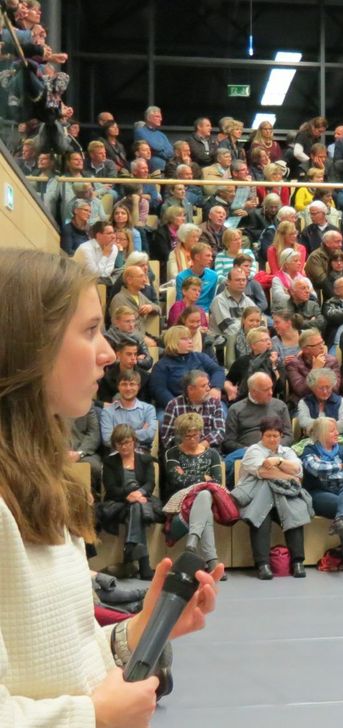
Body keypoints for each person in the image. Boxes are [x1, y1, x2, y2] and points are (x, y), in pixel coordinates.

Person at [0, 250, 221, 723]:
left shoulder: (34, 479)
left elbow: (54, 660)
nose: (105, 353)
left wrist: (140, 629)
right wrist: (92, 715)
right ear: (28, 345)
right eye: (89, 331)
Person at [233, 417, 314, 579]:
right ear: (261, 435)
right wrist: (289, 477)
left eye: (275, 436)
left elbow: (297, 469)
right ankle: (262, 564)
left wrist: (279, 461)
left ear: (281, 436)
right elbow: (264, 472)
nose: (272, 439)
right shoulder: (254, 451)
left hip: (282, 497)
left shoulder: (286, 451)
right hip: (256, 497)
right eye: (268, 435)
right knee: (261, 517)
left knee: (294, 513)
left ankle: (298, 562)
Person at [99, 424, 164, 579]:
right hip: (119, 504)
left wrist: (139, 493)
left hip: (143, 500)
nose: (124, 446)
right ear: (115, 445)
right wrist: (128, 495)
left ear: (134, 441)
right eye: (120, 443)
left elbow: (150, 484)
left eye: (127, 442)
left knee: (136, 507)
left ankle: (130, 552)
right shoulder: (109, 462)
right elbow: (111, 488)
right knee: (136, 507)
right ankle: (144, 566)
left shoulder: (146, 460)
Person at [301, 417, 343, 574]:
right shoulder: (309, 450)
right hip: (319, 494)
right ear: (321, 433)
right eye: (332, 431)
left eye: (336, 430)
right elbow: (315, 469)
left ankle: (340, 519)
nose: (337, 433)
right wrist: (339, 466)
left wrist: (327, 473)